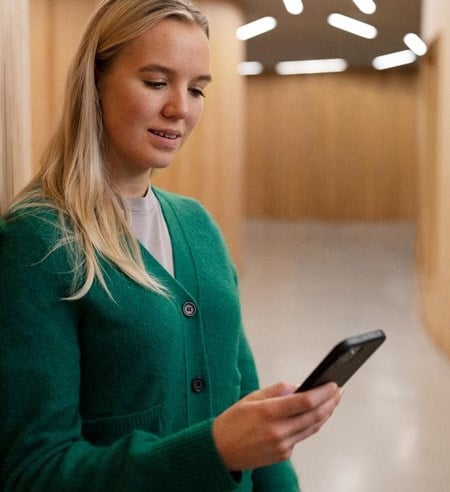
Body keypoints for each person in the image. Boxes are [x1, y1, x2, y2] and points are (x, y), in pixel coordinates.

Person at [0, 0, 342, 490]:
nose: (180, 108)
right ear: (96, 82)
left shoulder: (199, 227)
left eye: (197, 89)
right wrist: (214, 451)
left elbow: (242, 392)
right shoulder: (40, 240)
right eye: (157, 82)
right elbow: (33, 471)